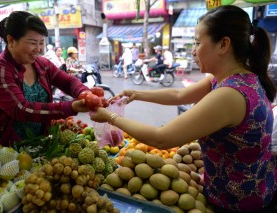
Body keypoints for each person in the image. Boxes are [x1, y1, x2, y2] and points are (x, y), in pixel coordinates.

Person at [91, 5, 277, 213]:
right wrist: (136, 94)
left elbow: (162, 138)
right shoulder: (231, 79)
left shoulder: (230, 95)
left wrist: (110, 117)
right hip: (249, 185)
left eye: (197, 43)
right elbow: (179, 95)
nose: (193, 50)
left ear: (223, 44)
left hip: (239, 203)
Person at [0, 11, 90, 146]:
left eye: (41, 42)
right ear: (11, 40)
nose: (39, 49)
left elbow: (68, 81)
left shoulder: (42, 64)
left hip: (36, 143)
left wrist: (84, 93)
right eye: (33, 43)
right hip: (0, 147)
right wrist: (71, 107)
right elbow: (21, 109)